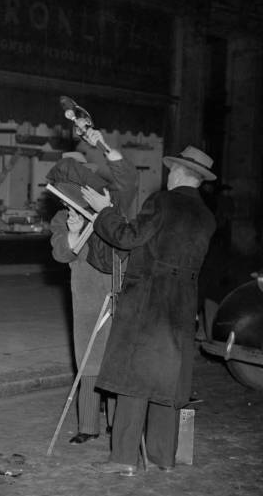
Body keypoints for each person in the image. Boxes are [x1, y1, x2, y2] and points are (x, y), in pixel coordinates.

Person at [82, 146, 217, 475]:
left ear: (180, 173)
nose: (168, 175)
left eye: (172, 170)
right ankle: (162, 459)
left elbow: (129, 238)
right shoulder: (207, 216)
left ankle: (123, 460)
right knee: (166, 383)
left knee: (134, 377)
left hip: (149, 300)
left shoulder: (164, 201)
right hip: (182, 303)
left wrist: (104, 212)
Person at [48, 130, 138, 444]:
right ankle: (88, 426)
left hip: (117, 288)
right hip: (85, 294)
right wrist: (74, 233)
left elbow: (129, 178)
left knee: (115, 356)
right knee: (87, 358)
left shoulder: (112, 206)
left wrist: (100, 143)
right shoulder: (62, 217)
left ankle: (116, 421)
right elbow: (61, 253)